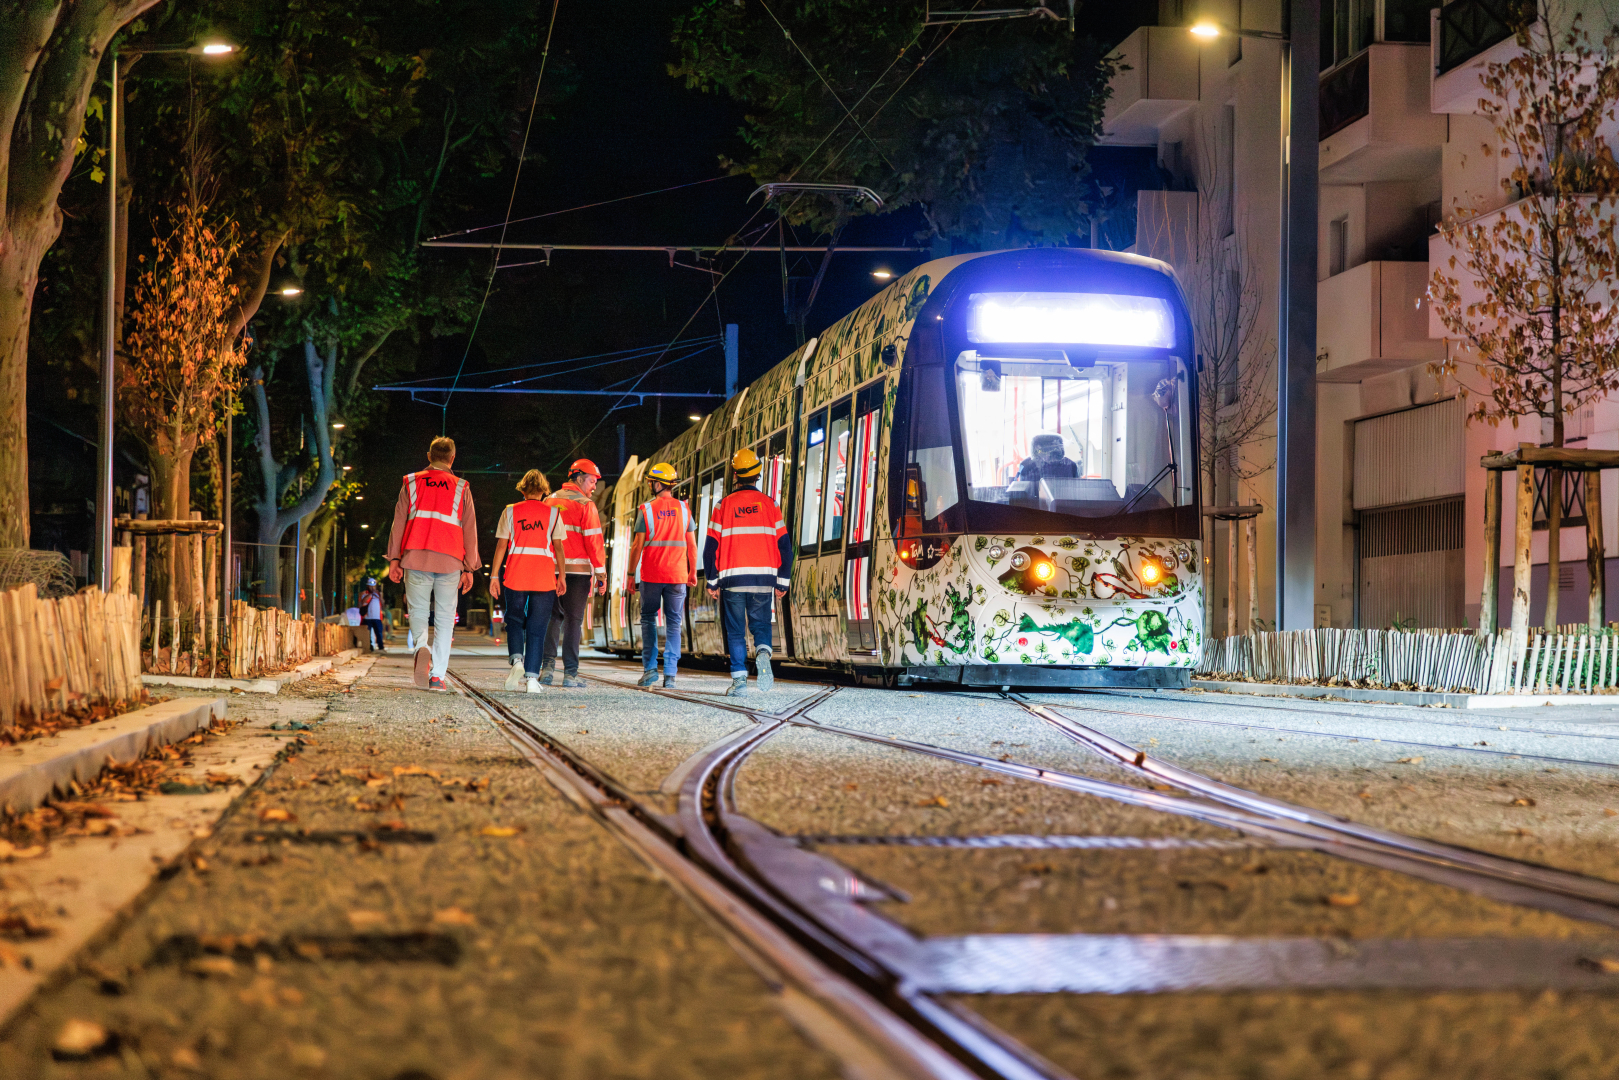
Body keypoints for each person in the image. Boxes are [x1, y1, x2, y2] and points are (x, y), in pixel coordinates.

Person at [386, 436, 481, 691]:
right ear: (452, 458)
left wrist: (394, 559)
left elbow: (398, 524)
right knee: (445, 618)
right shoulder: (462, 486)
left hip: (416, 557)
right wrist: (469, 567)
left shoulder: (411, 482)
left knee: (417, 611)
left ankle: (420, 647)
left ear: (429, 456)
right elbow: (470, 529)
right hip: (450, 561)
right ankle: (437, 676)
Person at [704, 448, 793, 697]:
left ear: (735, 474)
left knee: (735, 631)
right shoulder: (770, 505)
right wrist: (782, 582)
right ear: (758, 474)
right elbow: (785, 546)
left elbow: (711, 547)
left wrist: (712, 582)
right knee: (761, 624)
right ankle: (763, 651)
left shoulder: (723, 506)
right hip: (763, 580)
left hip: (732, 580)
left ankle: (740, 681)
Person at [490, 469, 569, 693]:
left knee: (514, 620)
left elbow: (501, 546)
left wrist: (494, 575)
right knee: (538, 626)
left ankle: (516, 661)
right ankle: (532, 679)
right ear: (544, 491)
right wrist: (561, 576)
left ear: (522, 490)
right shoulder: (553, 513)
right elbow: (559, 548)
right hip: (544, 577)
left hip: (516, 574)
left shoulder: (510, 511)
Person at [629, 462, 699, 688]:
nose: (650, 485)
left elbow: (637, 546)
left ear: (658, 484)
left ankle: (650, 670)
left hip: (651, 575)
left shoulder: (646, 510)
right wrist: (692, 572)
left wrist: (631, 574)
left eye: (651, 482)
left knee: (648, 619)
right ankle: (670, 675)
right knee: (674, 622)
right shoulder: (683, 509)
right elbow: (692, 545)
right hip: (678, 575)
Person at [539, 459, 607, 687]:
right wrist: (601, 574)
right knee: (573, 621)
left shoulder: (548, 500)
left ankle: (547, 669)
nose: (594, 486)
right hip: (578, 573)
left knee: (551, 618)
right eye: (591, 481)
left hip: (550, 570)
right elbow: (594, 542)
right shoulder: (585, 505)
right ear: (578, 478)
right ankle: (570, 674)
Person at [358, 578, 387, 651]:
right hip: (367, 617)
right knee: (368, 634)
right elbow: (363, 601)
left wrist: (380, 596)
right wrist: (371, 594)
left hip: (377, 617)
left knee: (379, 633)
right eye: (371, 586)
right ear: (368, 586)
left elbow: (383, 604)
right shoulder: (364, 593)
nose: (372, 588)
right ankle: (369, 647)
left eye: (374, 586)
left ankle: (381, 647)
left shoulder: (378, 594)